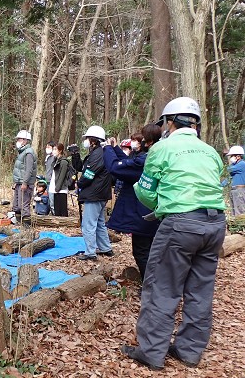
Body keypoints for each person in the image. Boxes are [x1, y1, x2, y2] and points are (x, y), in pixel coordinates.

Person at [121, 97, 226, 371]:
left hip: (180, 223)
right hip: (215, 224)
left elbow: (144, 190)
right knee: (200, 290)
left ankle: (152, 352)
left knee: (162, 287)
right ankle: (190, 350)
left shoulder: (163, 149)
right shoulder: (210, 151)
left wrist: (161, 205)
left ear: (168, 123)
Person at [103, 125, 162, 280]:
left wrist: (108, 149)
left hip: (143, 213)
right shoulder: (152, 156)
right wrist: (115, 148)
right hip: (151, 211)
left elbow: (117, 168)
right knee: (148, 249)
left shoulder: (146, 160)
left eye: (140, 139)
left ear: (148, 142)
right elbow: (128, 162)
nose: (137, 143)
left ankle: (152, 286)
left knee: (142, 251)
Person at [76, 125, 114, 261]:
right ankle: (105, 248)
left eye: (87, 138)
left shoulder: (98, 154)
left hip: (95, 194)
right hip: (100, 193)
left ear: (93, 140)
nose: (85, 140)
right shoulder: (98, 152)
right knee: (99, 223)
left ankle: (90, 252)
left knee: (88, 224)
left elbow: (90, 173)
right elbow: (82, 167)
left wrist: (80, 183)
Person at [12, 130, 37, 227]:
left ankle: (27, 227)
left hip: (25, 183)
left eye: (19, 139)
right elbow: (19, 169)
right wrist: (16, 182)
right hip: (19, 182)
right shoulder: (22, 152)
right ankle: (19, 224)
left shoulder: (29, 153)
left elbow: (29, 170)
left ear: (25, 140)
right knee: (16, 206)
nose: (17, 141)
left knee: (24, 206)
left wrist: (25, 182)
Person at [50, 143, 70, 217]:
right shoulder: (55, 161)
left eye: (55, 149)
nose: (53, 151)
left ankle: (64, 224)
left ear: (60, 150)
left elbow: (62, 176)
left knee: (62, 209)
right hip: (56, 187)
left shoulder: (64, 162)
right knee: (57, 209)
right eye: (53, 149)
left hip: (61, 188)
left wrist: (57, 188)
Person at [226, 146, 245, 216]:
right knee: (233, 211)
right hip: (233, 190)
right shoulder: (235, 166)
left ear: (238, 156)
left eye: (232, 156)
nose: (230, 158)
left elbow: (228, 169)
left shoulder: (242, 164)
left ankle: (241, 225)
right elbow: (229, 178)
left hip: (240, 190)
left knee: (240, 211)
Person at [44, 141, 57, 214]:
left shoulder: (55, 158)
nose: (47, 148)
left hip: (53, 181)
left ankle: (54, 215)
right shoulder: (48, 157)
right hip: (47, 180)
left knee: (52, 200)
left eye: (49, 147)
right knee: (48, 198)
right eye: (46, 147)